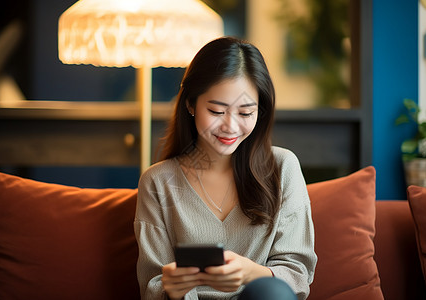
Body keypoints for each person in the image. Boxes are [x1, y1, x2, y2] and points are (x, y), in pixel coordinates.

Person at [134, 36, 317, 300]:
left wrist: (250, 273)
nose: (230, 126)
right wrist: (173, 288)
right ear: (190, 104)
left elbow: (298, 274)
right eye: (217, 111)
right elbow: (153, 286)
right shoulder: (158, 182)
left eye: (245, 113)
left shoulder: (282, 168)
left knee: (269, 292)